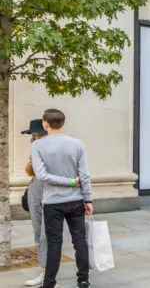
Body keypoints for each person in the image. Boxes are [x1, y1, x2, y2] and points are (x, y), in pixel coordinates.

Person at [31, 109, 92, 288]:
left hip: (53, 202)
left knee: (54, 244)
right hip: (76, 201)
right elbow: (84, 175)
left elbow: (41, 175)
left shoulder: (37, 145)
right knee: (80, 241)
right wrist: (88, 199)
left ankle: (49, 283)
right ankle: (83, 280)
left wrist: (70, 183)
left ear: (45, 124)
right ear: (62, 123)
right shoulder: (77, 143)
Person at [21, 119, 51, 288]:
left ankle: (50, 276)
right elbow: (30, 171)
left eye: (38, 135)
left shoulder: (54, 148)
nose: (35, 138)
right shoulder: (35, 147)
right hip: (35, 189)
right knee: (38, 233)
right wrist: (30, 164)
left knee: (48, 234)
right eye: (33, 136)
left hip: (50, 191)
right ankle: (44, 272)